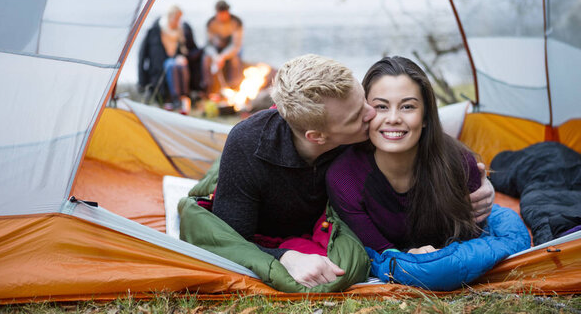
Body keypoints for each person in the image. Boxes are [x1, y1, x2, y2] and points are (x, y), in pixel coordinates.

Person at [212, 54, 495, 289]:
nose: (374, 116)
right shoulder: (248, 147)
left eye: (365, 102)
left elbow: (422, 138)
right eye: (359, 115)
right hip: (277, 231)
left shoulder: (353, 127)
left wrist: (481, 186)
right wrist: (285, 257)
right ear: (317, 137)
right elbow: (229, 242)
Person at [326, 56, 484, 255]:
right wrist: (411, 257)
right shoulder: (345, 177)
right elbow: (378, 253)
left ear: (426, 116)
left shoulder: (459, 163)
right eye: (381, 107)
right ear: (365, 112)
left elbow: (474, 239)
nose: (393, 119)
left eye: (407, 106)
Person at [138, 5, 203, 112]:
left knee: (181, 65)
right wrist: (142, 81)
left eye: (179, 18)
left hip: (178, 64)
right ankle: (176, 97)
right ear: (170, 16)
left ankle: (184, 98)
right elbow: (142, 55)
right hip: (159, 70)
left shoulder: (182, 31)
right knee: (172, 65)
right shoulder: (156, 30)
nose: (178, 21)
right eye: (176, 18)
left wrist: (186, 56)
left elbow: (189, 50)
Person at [204, 0, 243, 91]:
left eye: (224, 14)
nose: (222, 17)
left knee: (235, 61)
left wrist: (223, 56)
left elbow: (236, 45)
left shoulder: (236, 22)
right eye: (219, 14)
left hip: (231, 50)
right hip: (215, 50)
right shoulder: (211, 23)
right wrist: (215, 56)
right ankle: (209, 89)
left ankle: (234, 88)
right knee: (206, 60)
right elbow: (208, 45)